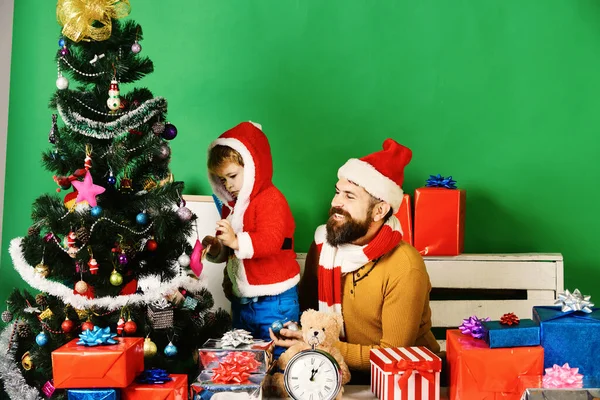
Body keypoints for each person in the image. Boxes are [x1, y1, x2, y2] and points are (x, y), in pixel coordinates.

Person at [270, 138, 440, 381]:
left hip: (406, 380)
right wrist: (295, 334)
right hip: (334, 373)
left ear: (379, 211)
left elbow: (392, 356)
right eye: (337, 192)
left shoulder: (405, 266)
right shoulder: (323, 246)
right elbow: (308, 316)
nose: (335, 203)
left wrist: (319, 345)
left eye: (349, 196)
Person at [202, 121, 301, 358]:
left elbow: (271, 240)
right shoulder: (232, 209)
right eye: (222, 180)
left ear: (254, 166)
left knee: (280, 357)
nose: (229, 185)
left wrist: (236, 241)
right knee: (245, 360)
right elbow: (228, 251)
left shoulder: (271, 199)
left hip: (275, 302)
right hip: (243, 304)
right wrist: (216, 246)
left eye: (233, 176)